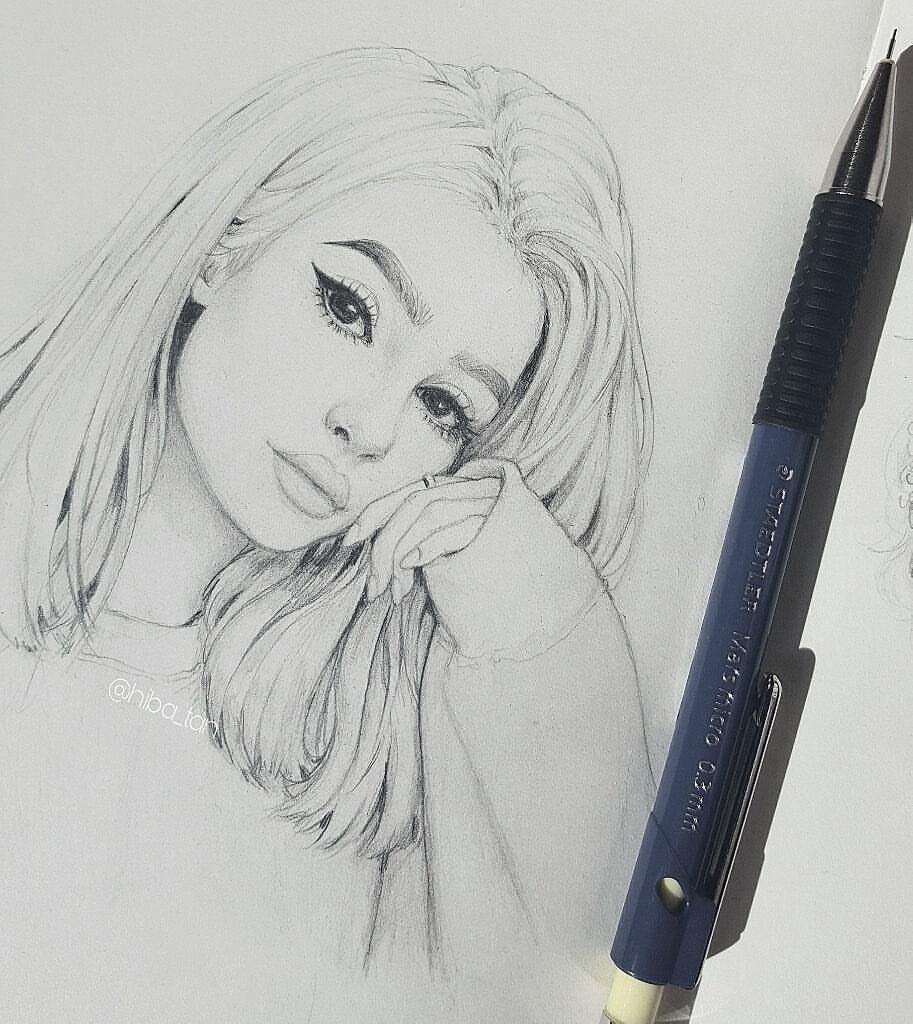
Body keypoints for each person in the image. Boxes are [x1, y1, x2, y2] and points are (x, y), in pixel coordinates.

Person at [0, 46, 654, 1022]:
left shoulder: (359, 771)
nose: (371, 425)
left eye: (442, 404)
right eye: (349, 308)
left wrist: (541, 620)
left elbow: (607, 962)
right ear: (223, 243)